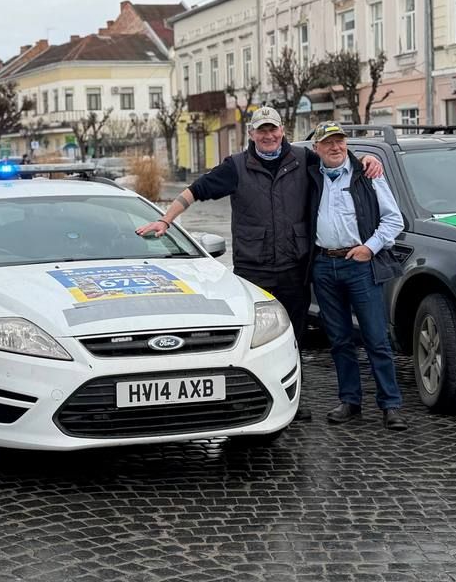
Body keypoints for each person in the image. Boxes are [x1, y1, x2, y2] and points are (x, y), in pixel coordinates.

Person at [135, 107, 383, 422]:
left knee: (293, 338)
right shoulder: (236, 167)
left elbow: (336, 154)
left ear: (283, 131)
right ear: (251, 134)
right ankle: (251, 398)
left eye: (273, 130)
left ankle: (292, 400)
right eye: (261, 131)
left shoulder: (302, 158)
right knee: (255, 340)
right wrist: (165, 220)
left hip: (295, 269)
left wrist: (366, 162)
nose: (268, 136)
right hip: (255, 273)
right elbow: (195, 190)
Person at [307, 121, 408, 431]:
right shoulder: (311, 177)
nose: (335, 147)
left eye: (340, 141)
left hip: (360, 264)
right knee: (338, 339)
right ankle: (350, 401)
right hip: (324, 265)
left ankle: (390, 405)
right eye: (328, 143)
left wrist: (370, 248)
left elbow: (394, 220)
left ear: (347, 143)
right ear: (317, 149)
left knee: (376, 338)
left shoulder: (368, 174)